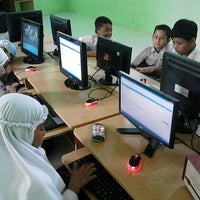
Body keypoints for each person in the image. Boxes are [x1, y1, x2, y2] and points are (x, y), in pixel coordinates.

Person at [0, 93, 97, 200]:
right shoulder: (35, 184)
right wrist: (74, 186)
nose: (45, 132)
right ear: (21, 133)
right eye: (41, 128)